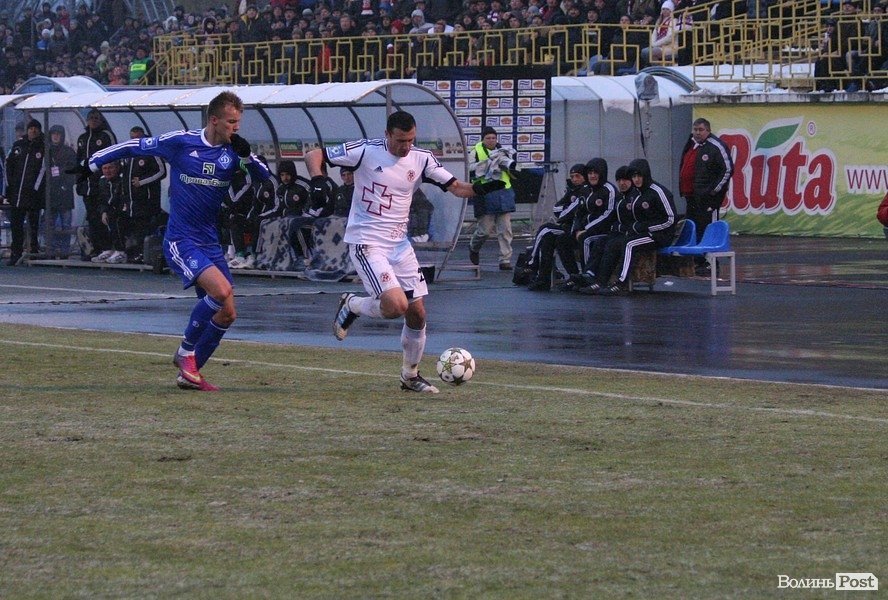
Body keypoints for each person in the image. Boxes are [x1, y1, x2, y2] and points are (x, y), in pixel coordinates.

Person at [78, 91, 271, 391]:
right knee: (221, 291)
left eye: (238, 122)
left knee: (228, 312)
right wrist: (93, 162)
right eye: (231, 122)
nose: (236, 127)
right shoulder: (182, 142)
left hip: (209, 241)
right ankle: (184, 352)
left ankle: (189, 374)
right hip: (181, 239)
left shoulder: (235, 151)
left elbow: (264, 177)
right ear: (214, 120)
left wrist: (246, 156)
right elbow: (135, 146)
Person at [305, 110, 504, 393]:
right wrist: (317, 179)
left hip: (399, 245)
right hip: (367, 242)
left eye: (411, 140)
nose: (406, 146)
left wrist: (481, 189)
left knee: (417, 313)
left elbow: (457, 188)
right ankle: (353, 304)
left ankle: (410, 376)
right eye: (400, 140)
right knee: (396, 306)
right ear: (387, 134)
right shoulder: (365, 151)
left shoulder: (422, 159)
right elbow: (314, 155)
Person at [578, 159, 675, 295]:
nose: (636, 179)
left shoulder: (658, 191)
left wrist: (643, 227)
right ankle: (600, 281)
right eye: (634, 176)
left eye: (639, 176)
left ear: (646, 175)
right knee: (610, 242)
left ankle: (621, 283)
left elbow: (670, 219)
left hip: (660, 235)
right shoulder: (636, 193)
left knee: (629, 244)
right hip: (641, 232)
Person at [678, 117, 733, 272]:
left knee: (708, 228)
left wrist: (714, 191)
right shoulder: (691, 144)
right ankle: (698, 261)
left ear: (708, 131)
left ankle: (711, 263)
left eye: (701, 130)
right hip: (691, 196)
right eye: (695, 129)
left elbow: (728, 169)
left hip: (708, 199)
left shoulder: (715, 146)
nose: (697, 133)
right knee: (693, 228)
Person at [524, 163, 589, 291]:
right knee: (548, 238)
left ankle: (532, 263)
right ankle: (544, 278)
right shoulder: (572, 190)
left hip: (578, 229)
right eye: (572, 176)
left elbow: (566, 213)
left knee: (546, 229)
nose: (574, 179)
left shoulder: (585, 191)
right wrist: (566, 211)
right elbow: (556, 208)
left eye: (578, 176)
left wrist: (565, 211)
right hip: (569, 227)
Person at [467, 126, 519, 270]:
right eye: (488, 138)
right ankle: (474, 247)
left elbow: (514, 169)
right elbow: (469, 169)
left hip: (503, 192)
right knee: (484, 231)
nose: (491, 140)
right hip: (485, 193)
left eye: (493, 138)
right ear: (483, 139)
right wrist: (487, 164)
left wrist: (507, 166)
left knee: (505, 229)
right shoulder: (475, 151)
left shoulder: (503, 152)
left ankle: (505, 260)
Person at [122, 126, 167, 263]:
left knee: (145, 227)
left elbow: (161, 172)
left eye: (138, 138)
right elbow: (125, 177)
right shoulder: (129, 153)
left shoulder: (152, 150)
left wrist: (142, 181)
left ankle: (145, 254)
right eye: (132, 138)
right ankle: (134, 253)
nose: (135, 140)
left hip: (147, 199)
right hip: (131, 200)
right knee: (133, 227)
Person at [76, 109, 117, 260]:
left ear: (101, 120)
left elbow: (114, 155)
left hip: (102, 184)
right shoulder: (82, 138)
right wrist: (79, 180)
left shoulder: (106, 135)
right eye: (91, 118)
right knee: (92, 218)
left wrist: (108, 178)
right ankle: (96, 249)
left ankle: (109, 248)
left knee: (103, 216)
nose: (93, 120)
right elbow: (78, 160)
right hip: (87, 186)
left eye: (96, 118)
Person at [4, 119, 46, 265]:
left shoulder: (43, 147)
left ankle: (33, 251)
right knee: (16, 225)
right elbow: (8, 165)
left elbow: (43, 169)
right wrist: (9, 186)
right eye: (31, 128)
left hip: (33, 195)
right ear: (27, 130)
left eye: (36, 128)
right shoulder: (18, 145)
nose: (33, 130)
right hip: (17, 193)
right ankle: (16, 253)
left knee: (34, 225)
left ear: (39, 130)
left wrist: (35, 189)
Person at [46, 124, 77, 259]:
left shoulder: (69, 152)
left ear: (62, 135)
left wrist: (66, 185)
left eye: (58, 133)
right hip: (50, 194)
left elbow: (73, 171)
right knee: (50, 224)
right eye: (53, 133)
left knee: (66, 224)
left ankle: (64, 251)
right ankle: (51, 250)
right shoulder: (47, 151)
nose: (55, 136)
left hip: (65, 194)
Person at [95, 160, 128, 264]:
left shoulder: (123, 180)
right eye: (105, 168)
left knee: (115, 219)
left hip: (122, 211)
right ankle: (107, 249)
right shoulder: (102, 181)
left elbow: (122, 199)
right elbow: (102, 200)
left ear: (117, 168)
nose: (107, 171)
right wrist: (103, 211)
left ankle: (121, 252)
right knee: (96, 218)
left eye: (110, 168)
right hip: (110, 210)